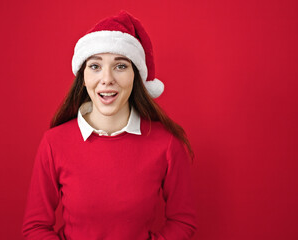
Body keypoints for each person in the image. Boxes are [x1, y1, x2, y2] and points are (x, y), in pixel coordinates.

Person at [22, 10, 197, 240]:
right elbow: (34, 228)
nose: (107, 78)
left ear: (135, 75)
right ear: (82, 77)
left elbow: (183, 221)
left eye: (120, 66)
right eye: (95, 66)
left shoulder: (167, 143)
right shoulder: (54, 143)